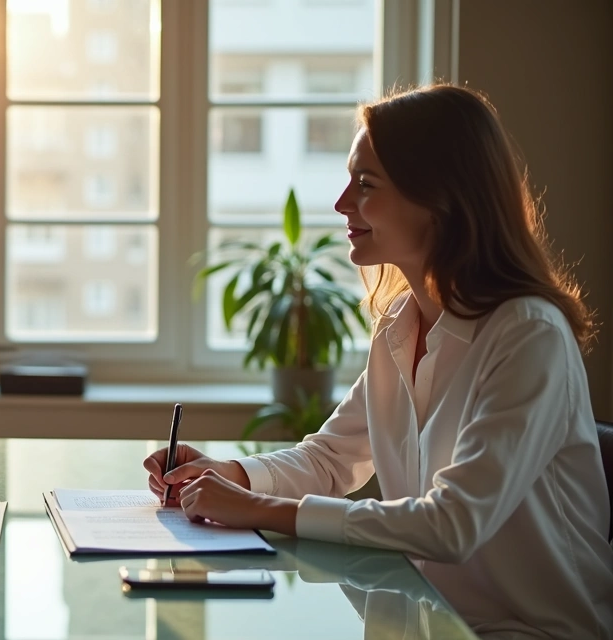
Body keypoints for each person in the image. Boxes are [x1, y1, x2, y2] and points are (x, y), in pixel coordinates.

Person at [145, 84, 613, 638]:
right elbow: (331, 457)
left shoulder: (529, 337)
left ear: (440, 201)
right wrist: (233, 475)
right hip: (426, 620)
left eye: (365, 185)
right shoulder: (401, 323)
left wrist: (256, 508)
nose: (342, 203)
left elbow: (451, 524)